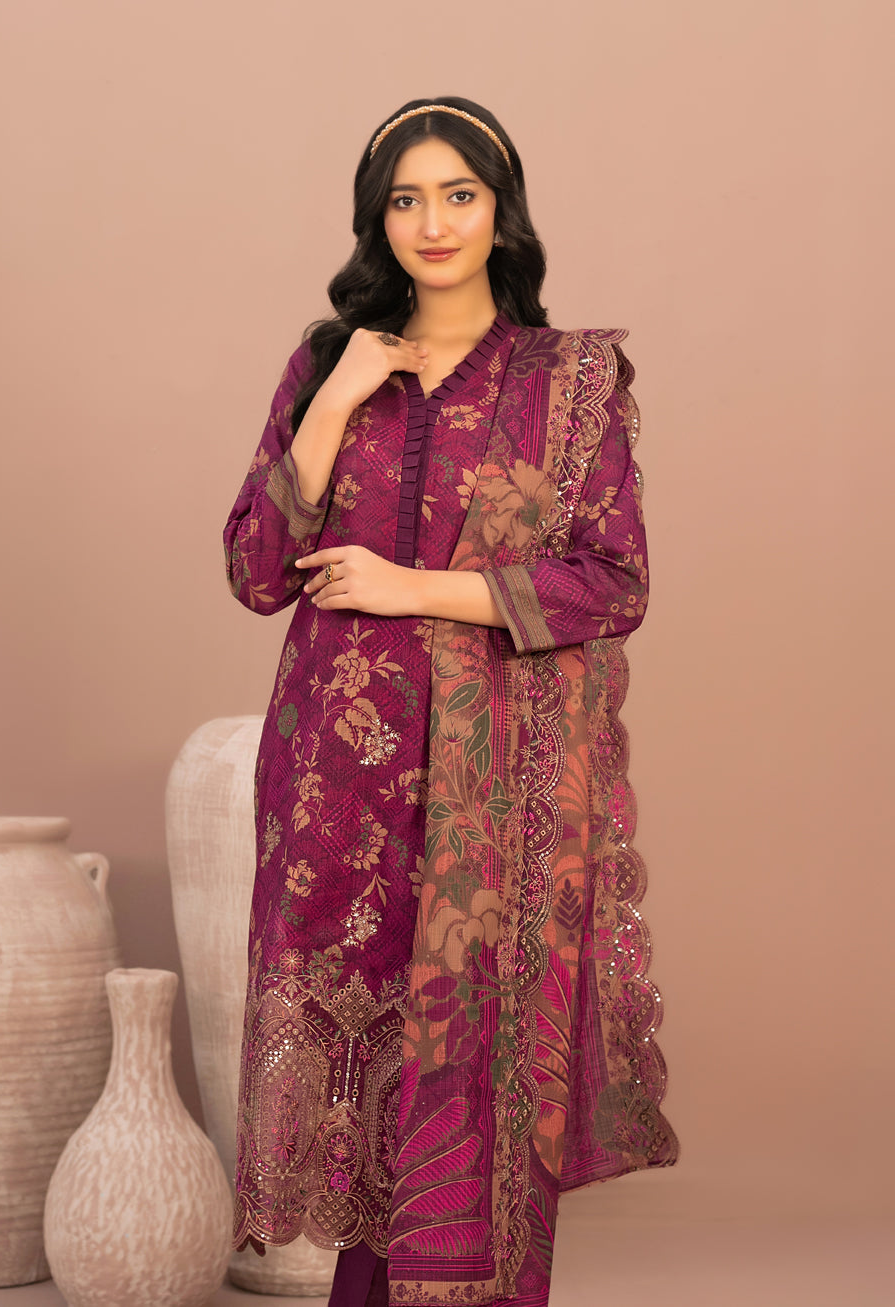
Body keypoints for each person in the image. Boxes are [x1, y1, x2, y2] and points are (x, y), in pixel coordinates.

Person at [223, 97, 678, 1307]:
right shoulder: (327, 363)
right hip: (338, 787)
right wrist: (336, 397)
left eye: (459, 195)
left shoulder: (565, 380)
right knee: (369, 1091)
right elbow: (256, 571)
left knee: (474, 1065)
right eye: (405, 199)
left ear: (499, 211)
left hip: (498, 796)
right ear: (376, 220)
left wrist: (408, 587)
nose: (433, 223)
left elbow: (611, 580)